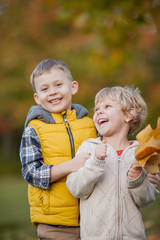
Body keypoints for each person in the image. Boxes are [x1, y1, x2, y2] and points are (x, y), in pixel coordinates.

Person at [66, 86, 160, 240]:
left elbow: (146, 199)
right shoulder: (89, 147)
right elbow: (76, 188)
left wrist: (137, 179)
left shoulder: (141, 153)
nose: (99, 112)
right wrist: (95, 162)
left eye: (107, 106)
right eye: (97, 109)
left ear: (129, 115)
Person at [19, 59, 97, 240]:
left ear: (73, 87)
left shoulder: (90, 124)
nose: (53, 92)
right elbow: (31, 173)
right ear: (37, 97)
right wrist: (71, 165)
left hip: (93, 218)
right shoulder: (34, 129)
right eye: (45, 89)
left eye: (58, 84)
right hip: (54, 224)